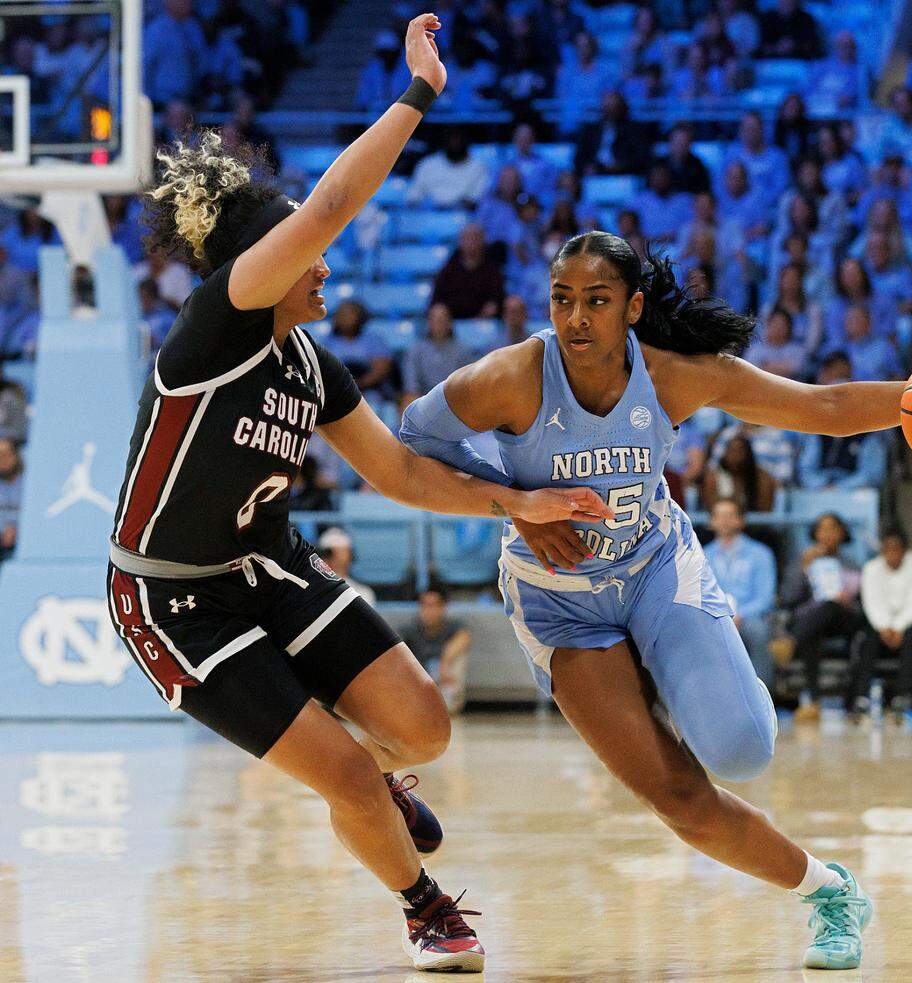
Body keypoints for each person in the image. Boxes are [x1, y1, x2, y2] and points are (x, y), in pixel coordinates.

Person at [104, 19, 610, 972]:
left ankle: (377, 784)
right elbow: (333, 201)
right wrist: (416, 95)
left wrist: (519, 503)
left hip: (267, 564)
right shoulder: (217, 328)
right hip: (169, 595)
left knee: (422, 724)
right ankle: (425, 907)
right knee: (341, 772)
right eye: (308, 249)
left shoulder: (310, 362)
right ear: (267, 263)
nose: (326, 260)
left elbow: (402, 473)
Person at [400, 230, 912, 970]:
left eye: (597, 301)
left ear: (632, 308)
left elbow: (822, 406)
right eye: (562, 300)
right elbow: (415, 435)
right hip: (560, 605)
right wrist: (515, 500)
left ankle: (697, 663)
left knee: (741, 749)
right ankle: (830, 892)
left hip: (656, 565)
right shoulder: (513, 376)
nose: (576, 319)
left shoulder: (675, 377)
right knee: (680, 799)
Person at [781, 513, 864, 724]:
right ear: (814, 533)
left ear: (843, 533)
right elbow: (789, 598)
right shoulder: (802, 560)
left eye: (833, 528)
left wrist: (847, 601)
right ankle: (813, 700)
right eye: (822, 528)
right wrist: (804, 568)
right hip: (811, 621)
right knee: (813, 629)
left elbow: (864, 601)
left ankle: (791, 640)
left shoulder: (851, 564)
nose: (827, 534)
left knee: (830, 606)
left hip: (842, 618)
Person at [854, 528, 912, 721]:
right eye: (887, 549)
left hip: (909, 623)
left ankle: (901, 697)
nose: (892, 554)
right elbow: (871, 602)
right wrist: (885, 626)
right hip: (879, 624)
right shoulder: (871, 569)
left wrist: (898, 626)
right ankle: (861, 697)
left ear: (905, 551)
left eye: (896, 550)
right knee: (867, 639)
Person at [704, 498, 778, 686]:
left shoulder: (761, 554)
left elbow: (765, 597)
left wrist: (739, 614)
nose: (725, 521)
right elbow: (699, 592)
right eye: (719, 516)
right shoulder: (701, 554)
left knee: (759, 631)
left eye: (730, 516)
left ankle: (763, 694)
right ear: (711, 522)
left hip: (749, 617)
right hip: (714, 616)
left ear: (741, 520)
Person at [400, 589, 472, 714]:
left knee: (460, 656)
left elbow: (464, 638)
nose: (429, 611)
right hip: (420, 682)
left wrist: (444, 663)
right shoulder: (411, 629)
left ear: (443, 607)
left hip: (444, 680)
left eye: (433, 606)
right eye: (425, 606)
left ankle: (448, 704)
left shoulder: (453, 626)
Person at [403, 303, 479, 402]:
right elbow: (411, 384)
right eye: (434, 318)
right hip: (423, 398)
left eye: (442, 318)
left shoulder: (463, 350)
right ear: (428, 322)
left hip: (454, 399)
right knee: (408, 399)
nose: (438, 322)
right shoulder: (415, 349)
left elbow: (468, 382)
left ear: (450, 322)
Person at [430, 224, 505, 319]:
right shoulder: (449, 269)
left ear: (483, 241)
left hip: (483, 322)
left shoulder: (492, 270)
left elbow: (498, 300)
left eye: (475, 237)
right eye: (467, 238)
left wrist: (490, 309)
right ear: (460, 241)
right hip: (451, 322)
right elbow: (436, 300)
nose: (471, 242)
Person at [406, 130, 490, 209]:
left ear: (466, 140)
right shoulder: (427, 164)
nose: (455, 141)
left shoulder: (479, 167)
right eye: (451, 137)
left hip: (464, 218)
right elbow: (413, 198)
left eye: (458, 137)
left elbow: (476, 200)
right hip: (428, 216)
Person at [701, 433, 776, 513]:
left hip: (754, 523)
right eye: (731, 450)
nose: (735, 455)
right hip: (722, 521)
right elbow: (712, 510)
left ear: (748, 453)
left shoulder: (762, 479)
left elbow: (764, 513)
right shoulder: (713, 478)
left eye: (740, 451)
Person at [317, 526, 376, 605]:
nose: (329, 557)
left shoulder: (362, 593)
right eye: (328, 553)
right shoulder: (311, 591)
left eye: (337, 552)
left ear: (350, 555)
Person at [0, 438, 22, 561]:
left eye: (6, 455)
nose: (2, 460)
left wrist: (16, 529)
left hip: (25, 539)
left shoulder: (30, 485)